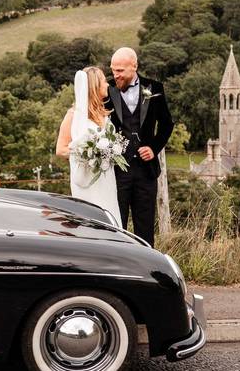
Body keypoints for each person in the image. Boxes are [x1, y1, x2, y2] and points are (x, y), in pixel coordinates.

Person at [105, 47, 173, 247]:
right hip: (117, 171)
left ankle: (146, 270)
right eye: (113, 70)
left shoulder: (155, 88)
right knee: (117, 224)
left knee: (145, 227)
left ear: (134, 67)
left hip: (146, 171)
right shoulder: (106, 89)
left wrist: (153, 147)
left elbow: (167, 124)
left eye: (120, 71)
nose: (115, 75)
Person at [56, 66, 122, 226]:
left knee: (110, 217)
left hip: (106, 180)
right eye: (104, 81)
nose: (107, 85)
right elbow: (61, 149)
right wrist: (88, 152)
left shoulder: (104, 114)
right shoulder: (73, 115)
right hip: (86, 182)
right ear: (94, 86)